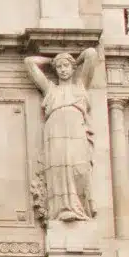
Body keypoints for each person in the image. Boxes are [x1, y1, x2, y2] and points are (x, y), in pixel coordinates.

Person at [26, 49, 98, 221]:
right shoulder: (51, 89)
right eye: (59, 67)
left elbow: (91, 53)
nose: (63, 69)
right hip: (55, 131)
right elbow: (29, 62)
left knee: (78, 169)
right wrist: (51, 60)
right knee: (58, 168)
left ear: (73, 68)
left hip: (76, 129)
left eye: (66, 66)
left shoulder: (80, 86)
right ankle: (62, 209)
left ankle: (79, 207)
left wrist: (73, 60)